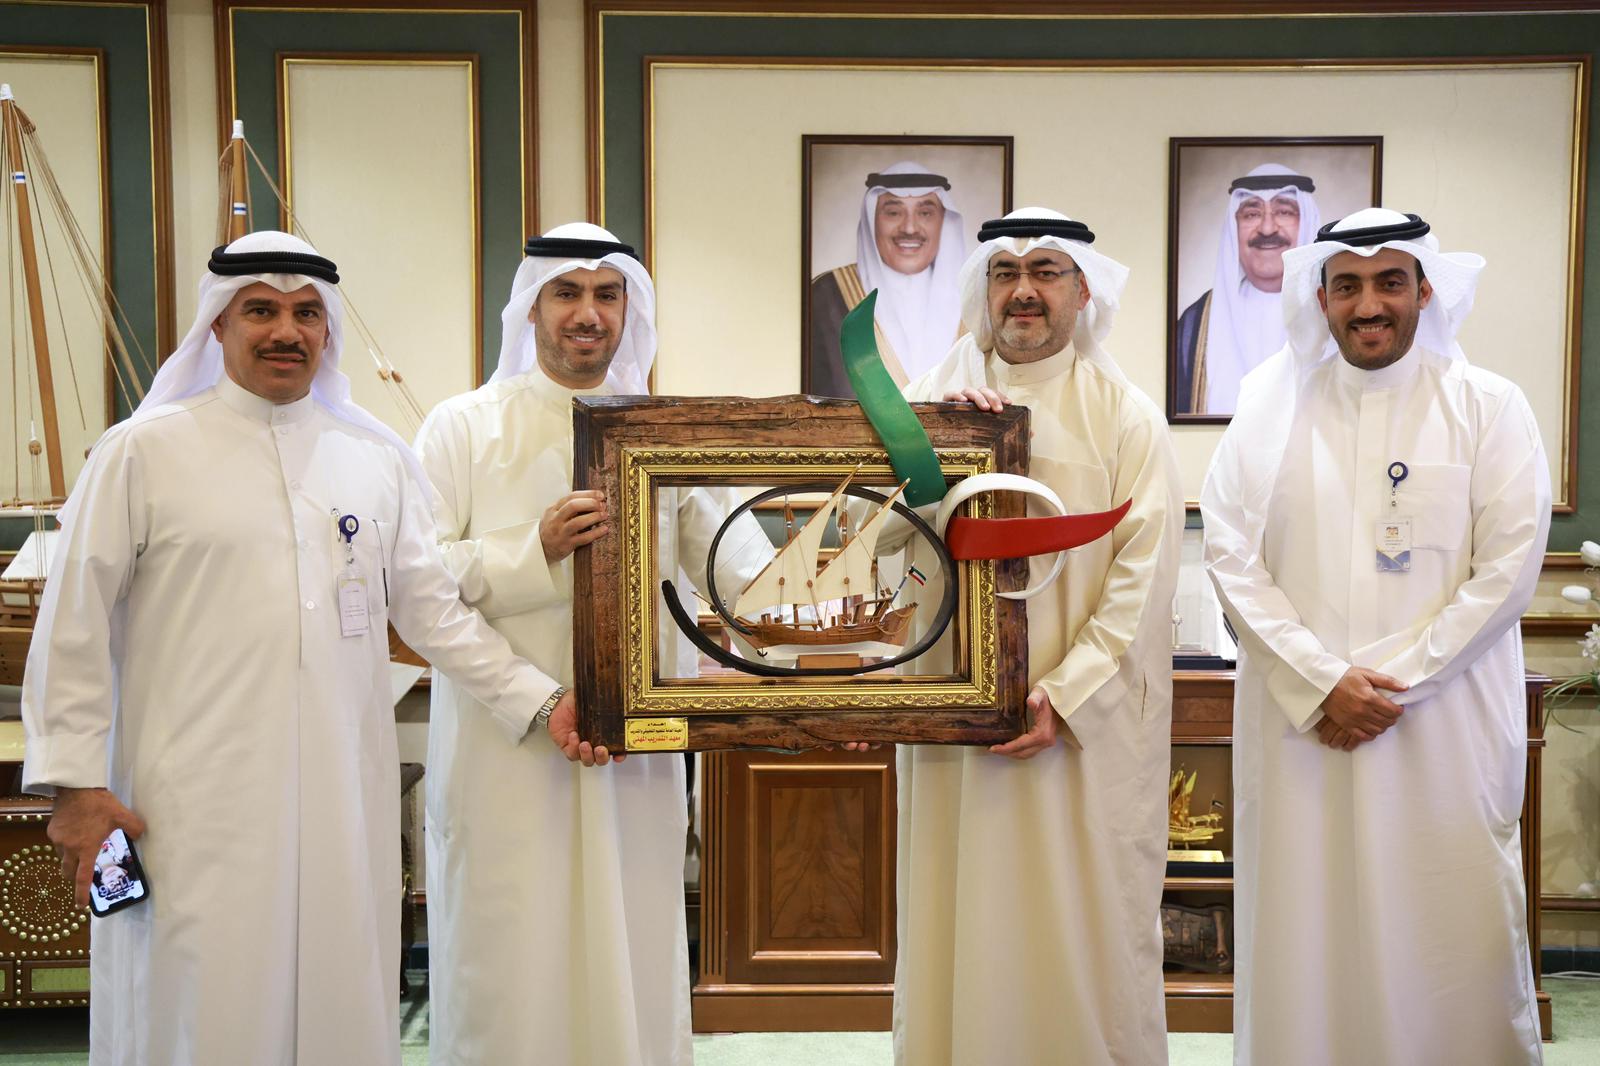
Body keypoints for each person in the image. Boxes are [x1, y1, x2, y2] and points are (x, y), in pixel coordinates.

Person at [20, 231, 555, 1065]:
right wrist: (77, 786)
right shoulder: (141, 452)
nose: (286, 331)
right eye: (260, 311)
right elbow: (73, 626)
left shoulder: (375, 460)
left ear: (327, 328)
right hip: (189, 805)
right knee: (201, 1003)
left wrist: (541, 701)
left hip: (341, 800)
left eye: (307, 313)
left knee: (338, 998)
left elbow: (435, 616)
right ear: (218, 325)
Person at [415, 222, 771, 1066]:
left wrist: (841, 671)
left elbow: (747, 579)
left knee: (631, 946)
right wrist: (533, 549)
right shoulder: (461, 428)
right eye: (567, 294)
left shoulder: (665, 431)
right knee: (509, 956)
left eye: (607, 295)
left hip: (630, 755)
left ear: (627, 310)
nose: (588, 314)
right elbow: (419, 587)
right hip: (505, 748)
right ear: (531, 308)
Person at [1202, 207, 1548, 1065]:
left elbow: (1507, 572)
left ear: (1425, 291)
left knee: (1448, 930)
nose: (1368, 305)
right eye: (1348, 285)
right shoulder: (1268, 408)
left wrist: (1390, 687)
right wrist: (1323, 682)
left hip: (1441, 731)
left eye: (1390, 282)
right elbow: (1229, 555)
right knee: (1307, 932)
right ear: (1319, 298)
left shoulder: (1489, 406)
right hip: (1304, 729)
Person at [893, 207, 1182, 1065]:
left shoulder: (1125, 416)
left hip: (1077, 733)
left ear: (1083, 291)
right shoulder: (928, 399)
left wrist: (1064, 693)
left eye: (1046, 272)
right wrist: (935, 447)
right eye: (1006, 272)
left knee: (1082, 929)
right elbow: (877, 539)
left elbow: (1143, 581)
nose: (1023, 291)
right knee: (958, 918)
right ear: (983, 288)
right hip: (957, 728)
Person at [809, 160, 967, 396]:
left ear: (944, 220)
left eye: (925, 213)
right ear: (873, 219)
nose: (910, 228)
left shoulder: (976, 296)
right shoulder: (826, 294)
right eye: (893, 213)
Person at [1175, 163, 1321, 415]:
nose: (1267, 228)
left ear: (1307, 222)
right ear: (1234, 229)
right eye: (1252, 214)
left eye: (1284, 212)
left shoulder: (1336, 315)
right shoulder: (1195, 324)